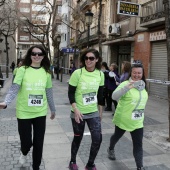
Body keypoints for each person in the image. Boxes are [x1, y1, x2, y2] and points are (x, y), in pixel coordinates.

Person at [0, 45, 56, 170]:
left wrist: (53, 109)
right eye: (34, 53)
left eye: (39, 54)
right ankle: (24, 151)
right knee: (26, 143)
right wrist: (6, 102)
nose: (36, 56)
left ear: (43, 56)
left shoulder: (46, 72)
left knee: (38, 143)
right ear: (30, 55)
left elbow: (49, 92)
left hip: (40, 112)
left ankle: (36, 166)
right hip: (24, 112)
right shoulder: (22, 70)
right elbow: (14, 88)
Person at [107, 60, 148, 170]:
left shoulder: (143, 86)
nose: (137, 75)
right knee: (116, 136)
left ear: (143, 74)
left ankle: (140, 167)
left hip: (137, 122)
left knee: (138, 145)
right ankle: (111, 148)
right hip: (123, 119)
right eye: (134, 72)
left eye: (139, 73)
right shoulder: (126, 84)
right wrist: (126, 88)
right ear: (131, 73)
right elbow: (114, 96)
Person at [68, 49, 104, 170]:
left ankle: (90, 164)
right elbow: (71, 93)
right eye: (86, 58)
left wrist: (100, 112)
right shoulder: (78, 73)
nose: (88, 60)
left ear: (97, 60)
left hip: (93, 112)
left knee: (98, 138)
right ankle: (72, 161)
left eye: (91, 58)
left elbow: (100, 95)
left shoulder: (100, 74)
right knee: (78, 137)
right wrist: (75, 109)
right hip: (78, 112)